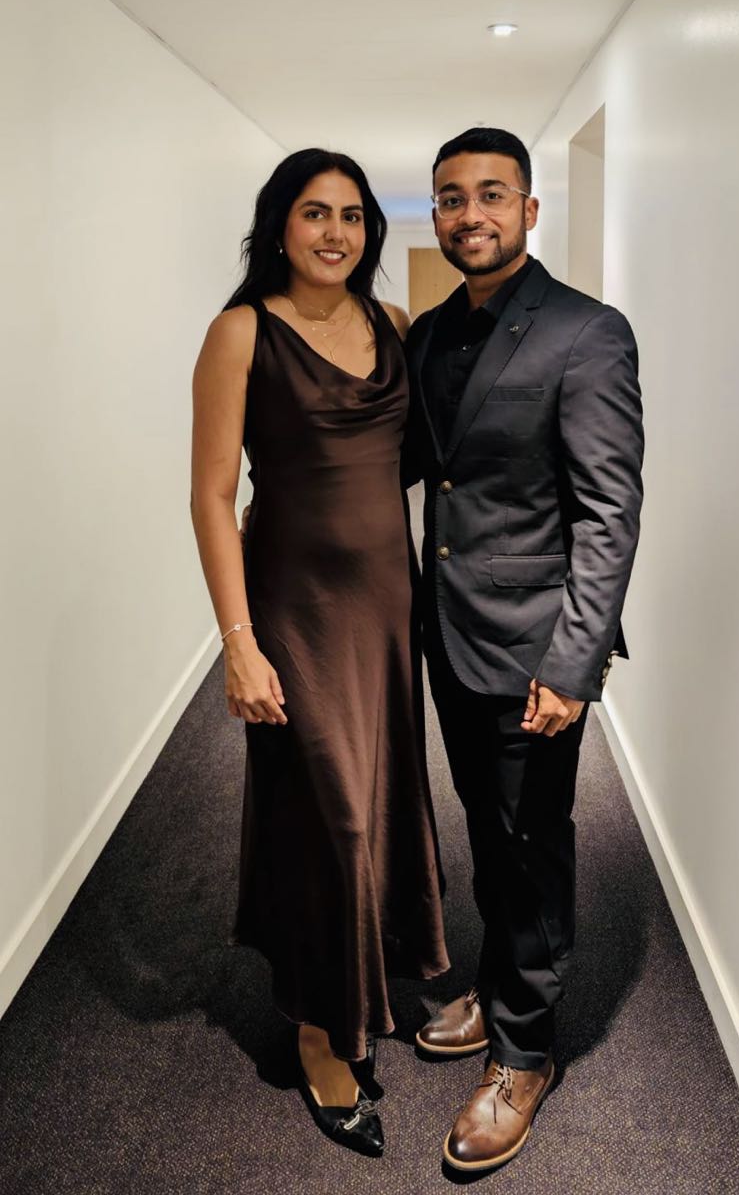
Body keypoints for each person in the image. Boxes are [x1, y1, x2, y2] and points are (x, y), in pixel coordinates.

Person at [190, 148, 449, 1158]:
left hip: (385, 607)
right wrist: (238, 643)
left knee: (379, 799)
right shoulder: (241, 332)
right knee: (327, 815)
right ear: (279, 224)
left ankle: (368, 977)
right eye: (314, 212)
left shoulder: (393, 326)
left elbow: (419, 457)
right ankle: (315, 1027)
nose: (335, 232)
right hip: (292, 609)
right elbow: (213, 494)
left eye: (351, 215)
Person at [404, 127, 644, 1173]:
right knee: (487, 828)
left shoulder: (587, 333)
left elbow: (608, 513)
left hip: (536, 649)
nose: (471, 214)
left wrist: (572, 664)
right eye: (451, 197)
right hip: (450, 632)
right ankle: (498, 986)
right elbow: (418, 463)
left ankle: (524, 1053)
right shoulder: (427, 334)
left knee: (531, 842)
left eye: (492, 194)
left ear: (530, 209)